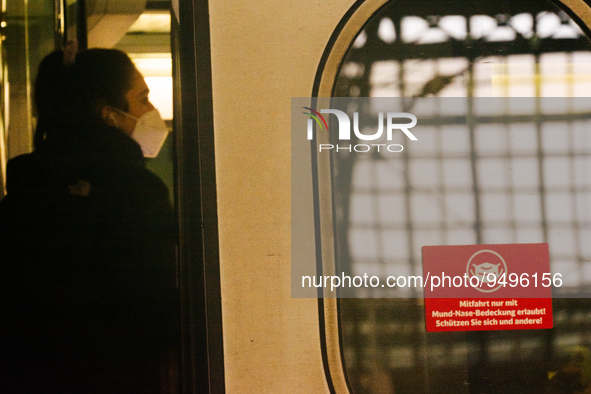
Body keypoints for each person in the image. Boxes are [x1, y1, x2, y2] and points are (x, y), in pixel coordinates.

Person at [0, 47, 179, 393]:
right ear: (107, 114)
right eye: (141, 98)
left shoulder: (22, 194)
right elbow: (150, 305)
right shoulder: (135, 192)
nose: (151, 111)